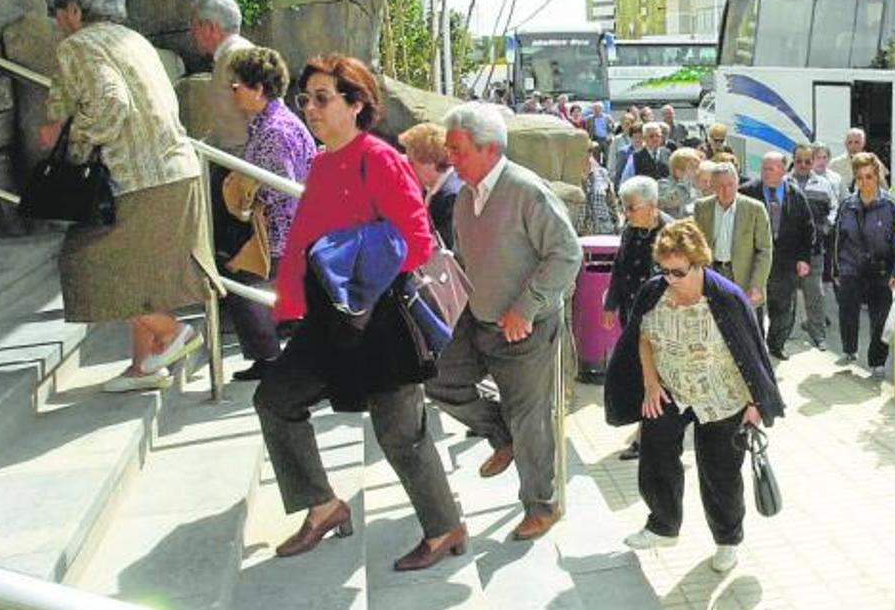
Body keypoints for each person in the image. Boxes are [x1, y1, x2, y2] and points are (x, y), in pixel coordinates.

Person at [253, 54, 465, 570]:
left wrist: (351, 255)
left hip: (383, 323)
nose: (311, 109)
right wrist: (291, 300)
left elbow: (415, 241)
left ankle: (444, 528)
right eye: (306, 99)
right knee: (276, 398)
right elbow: (304, 238)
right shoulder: (323, 162)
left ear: (356, 104)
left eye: (323, 99)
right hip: (332, 321)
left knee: (400, 437)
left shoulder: (381, 158)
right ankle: (323, 506)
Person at [39, 0, 221, 393]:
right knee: (140, 273)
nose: (56, 20)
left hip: (136, 178)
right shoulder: (133, 40)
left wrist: (67, 140)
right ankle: (144, 366)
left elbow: (110, 105)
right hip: (177, 171)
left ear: (75, 10)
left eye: (57, 9)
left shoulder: (80, 45)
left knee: (84, 262)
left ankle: (172, 332)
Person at [425, 102, 581, 541]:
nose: (450, 158)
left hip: (526, 328)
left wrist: (526, 306)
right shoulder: (462, 195)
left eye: (458, 150)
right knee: (438, 380)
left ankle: (541, 505)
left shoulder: (526, 191)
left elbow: (568, 254)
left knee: (531, 416)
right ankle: (501, 432)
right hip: (477, 319)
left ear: (489, 149)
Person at [603, 219, 784, 573]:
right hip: (671, 390)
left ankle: (727, 540)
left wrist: (755, 405)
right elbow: (643, 336)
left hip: (723, 397)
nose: (671, 278)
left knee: (720, 474)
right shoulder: (655, 292)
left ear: (699, 262)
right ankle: (664, 525)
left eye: (678, 272)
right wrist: (651, 384)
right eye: (664, 270)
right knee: (655, 454)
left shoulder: (726, 297)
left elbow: (752, 352)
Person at [225, 46, 316, 381]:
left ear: (258, 89)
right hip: (283, 229)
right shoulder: (270, 123)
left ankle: (268, 357)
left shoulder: (275, 130)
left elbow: (282, 188)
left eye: (237, 86)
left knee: (241, 283)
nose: (233, 93)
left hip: (286, 233)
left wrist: (245, 195)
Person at [605, 176, 673, 461]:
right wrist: (610, 304)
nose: (626, 213)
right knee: (637, 372)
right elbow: (620, 268)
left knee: (656, 376)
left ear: (652, 206)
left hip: (662, 320)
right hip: (632, 315)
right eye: (625, 207)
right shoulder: (630, 230)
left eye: (631, 208)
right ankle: (646, 427)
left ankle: (649, 436)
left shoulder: (671, 233)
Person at [188, 0, 255, 262]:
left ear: (209, 27)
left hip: (242, 169)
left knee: (231, 249)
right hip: (230, 162)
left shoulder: (237, 56)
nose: (192, 34)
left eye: (194, 26)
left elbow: (259, 114)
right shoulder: (230, 56)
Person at [833, 152, 895, 378]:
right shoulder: (847, 206)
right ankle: (849, 351)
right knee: (848, 312)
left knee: (880, 318)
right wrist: (835, 270)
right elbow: (836, 239)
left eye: (869, 177)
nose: (865, 182)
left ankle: (877, 361)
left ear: (877, 176)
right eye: (860, 177)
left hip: (880, 270)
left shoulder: (890, 206)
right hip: (851, 268)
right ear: (855, 178)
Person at [740, 151, 813, 360]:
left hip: (785, 263)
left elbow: (807, 229)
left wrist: (804, 258)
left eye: (770, 169)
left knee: (783, 308)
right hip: (754, 262)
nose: (765, 172)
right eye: (763, 168)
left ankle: (776, 344)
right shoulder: (747, 192)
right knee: (754, 306)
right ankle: (756, 347)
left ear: (782, 170)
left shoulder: (795, 195)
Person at [693, 163, 772, 310]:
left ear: (737, 183)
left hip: (743, 277)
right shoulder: (701, 207)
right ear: (712, 186)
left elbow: (764, 250)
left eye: (730, 184)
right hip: (712, 273)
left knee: (746, 327)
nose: (726, 190)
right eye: (721, 185)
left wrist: (756, 284)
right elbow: (696, 244)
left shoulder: (755, 209)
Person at [789, 144, 837, 350]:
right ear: (793, 160)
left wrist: (826, 227)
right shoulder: (784, 183)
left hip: (814, 250)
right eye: (799, 160)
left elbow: (834, 209)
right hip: (788, 252)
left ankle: (818, 335)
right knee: (786, 295)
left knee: (814, 294)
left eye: (807, 161)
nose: (803, 165)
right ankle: (784, 335)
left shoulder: (823, 184)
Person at [399, 122, 459, 249]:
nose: (407, 167)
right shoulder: (435, 185)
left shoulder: (451, 198)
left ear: (430, 163)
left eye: (411, 162)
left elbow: (443, 249)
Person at [574, 141, 619, 236]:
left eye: (590, 150)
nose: (587, 154)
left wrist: (616, 227)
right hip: (579, 234)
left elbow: (612, 204)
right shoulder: (569, 176)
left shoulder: (602, 173)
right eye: (582, 150)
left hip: (604, 232)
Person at [813, 143, 843, 282]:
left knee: (830, 259)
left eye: (825, 157)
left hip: (831, 226)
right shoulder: (806, 178)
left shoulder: (836, 178)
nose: (822, 161)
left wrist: (831, 222)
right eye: (818, 157)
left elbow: (842, 200)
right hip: (813, 226)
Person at [659, 147, 702, 218]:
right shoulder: (663, 184)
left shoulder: (695, 187)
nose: (696, 172)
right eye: (692, 168)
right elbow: (670, 202)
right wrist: (683, 184)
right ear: (678, 171)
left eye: (697, 167)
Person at [829, 127, 866, 193]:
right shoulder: (835, 164)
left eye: (857, 142)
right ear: (845, 144)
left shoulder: (872, 163)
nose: (853, 146)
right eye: (850, 142)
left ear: (863, 144)